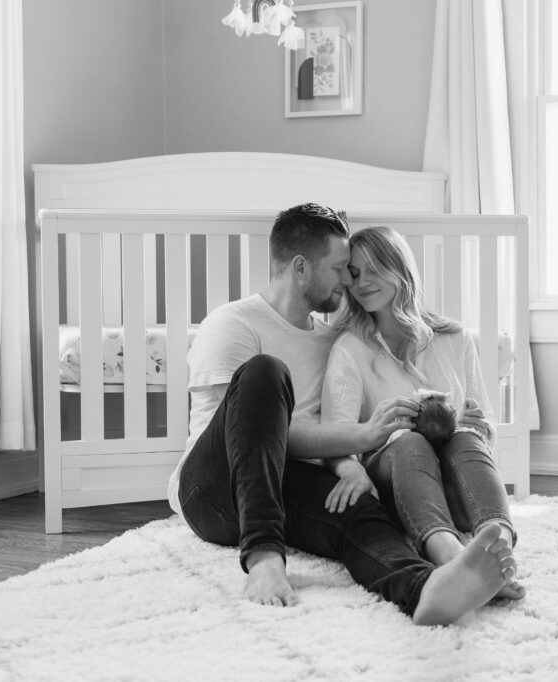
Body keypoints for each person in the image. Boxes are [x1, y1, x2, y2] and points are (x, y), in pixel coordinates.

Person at [166, 203, 517, 626]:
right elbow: (247, 436)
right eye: (340, 268)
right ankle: (262, 558)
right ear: (301, 267)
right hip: (215, 489)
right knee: (266, 371)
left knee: (362, 512)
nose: (349, 280)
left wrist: (357, 466)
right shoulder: (234, 323)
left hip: (286, 481)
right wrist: (363, 437)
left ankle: (426, 588)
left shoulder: (333, 338)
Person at [321, 225, 525, 601]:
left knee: (464, 435)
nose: (362, 282)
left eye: (374, 269)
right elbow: (337, 436)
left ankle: (497, 545)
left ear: (400, 268)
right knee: (408, 439)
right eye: (355, 273)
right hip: (401, 491)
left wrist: (474, 425)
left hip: (456, 490)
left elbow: (486, 431)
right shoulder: (350, 348)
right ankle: (449, 557)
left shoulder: (455, 338)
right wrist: (380, 431)